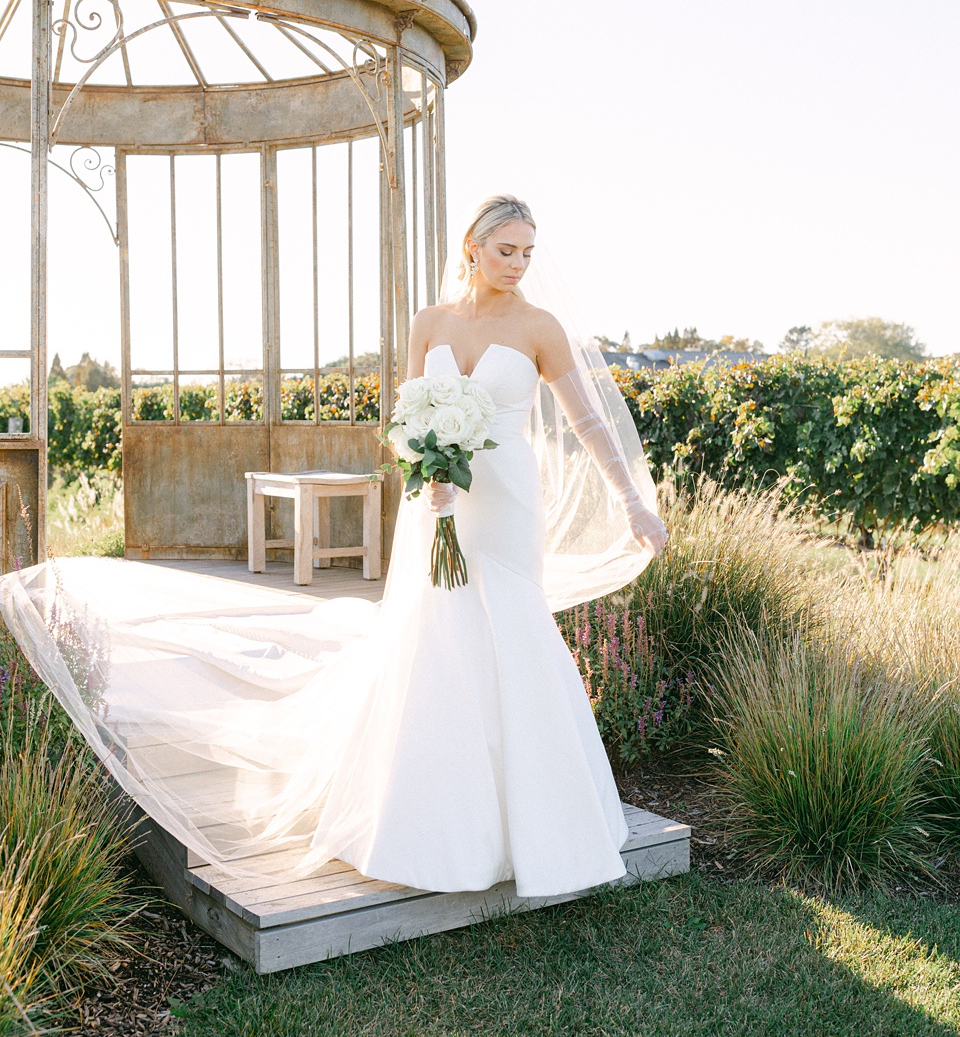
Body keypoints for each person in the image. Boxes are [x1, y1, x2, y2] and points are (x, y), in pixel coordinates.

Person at [0, 194, 667, 901]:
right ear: (472, 247)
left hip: (505, 505)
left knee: (509, 626)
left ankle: (541, 823)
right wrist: (426, 467)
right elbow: (406, 419)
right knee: (437, 633)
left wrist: (632, 501)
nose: (519, 264)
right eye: (507, 250)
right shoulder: (430, 323)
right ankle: (433, 824)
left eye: (528, 252)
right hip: (436, 503)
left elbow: (587, 422)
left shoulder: (539, 326)